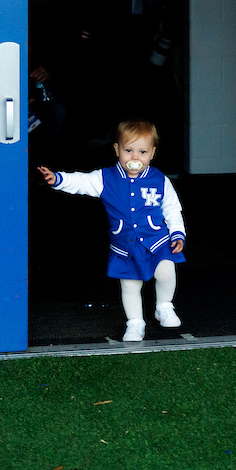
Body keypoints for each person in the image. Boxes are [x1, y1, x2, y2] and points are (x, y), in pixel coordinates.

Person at [37, 119, 185, 342]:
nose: (135, 157)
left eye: (142, 152)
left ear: (152, 153)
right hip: (125, 246)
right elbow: (82, 182)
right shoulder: (106, 178)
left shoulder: (160, 180)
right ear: (117, 150)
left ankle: (164, 306)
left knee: (166, 270)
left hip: (157, 241)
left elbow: (172, 209)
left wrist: (177, 233)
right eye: (128, 150)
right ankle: (135, 323)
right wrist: (59, 178)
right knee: (130, 285)